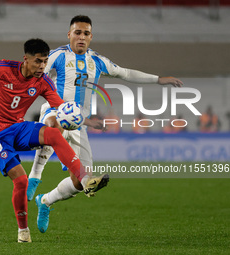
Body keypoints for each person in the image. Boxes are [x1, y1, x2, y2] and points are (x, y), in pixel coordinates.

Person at [28, 15, 184, 233]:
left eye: (85, 33)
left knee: (81, 182)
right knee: (54, 125)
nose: (81, 37)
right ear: (69, 34)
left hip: (79, 123)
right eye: (77, 32)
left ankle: (44, 201)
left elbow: (126, 73)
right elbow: (35, 74)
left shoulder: (97, 61)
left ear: (91, 36)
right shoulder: (58, 55)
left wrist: (158, 79)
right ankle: (35, 175)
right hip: (55, 110)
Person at [0, 38, 108, 243]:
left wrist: (82, 120)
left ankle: (85, 179)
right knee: (20, 180)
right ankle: (23, 230)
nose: (42, 66)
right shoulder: (2, 68)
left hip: (17, 128)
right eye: (38, 61)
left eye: (45, 61)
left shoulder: (43, 81)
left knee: (53, 134)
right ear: (26, 59)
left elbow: (60, 107)